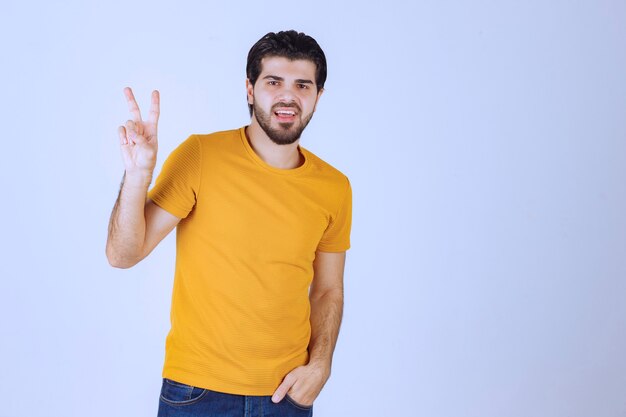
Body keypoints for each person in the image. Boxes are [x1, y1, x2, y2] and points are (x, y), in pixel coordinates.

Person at [106, 30, 352, 417]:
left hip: (285, 396)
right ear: (250, 90)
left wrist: (321, 366)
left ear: (318, 96)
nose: (288, 96)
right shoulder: (201, 156)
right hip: (197, 394)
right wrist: (138, 176)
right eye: (273, 82)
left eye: (302, 85)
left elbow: (328, 291)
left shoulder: (334, 187)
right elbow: (122, 255)